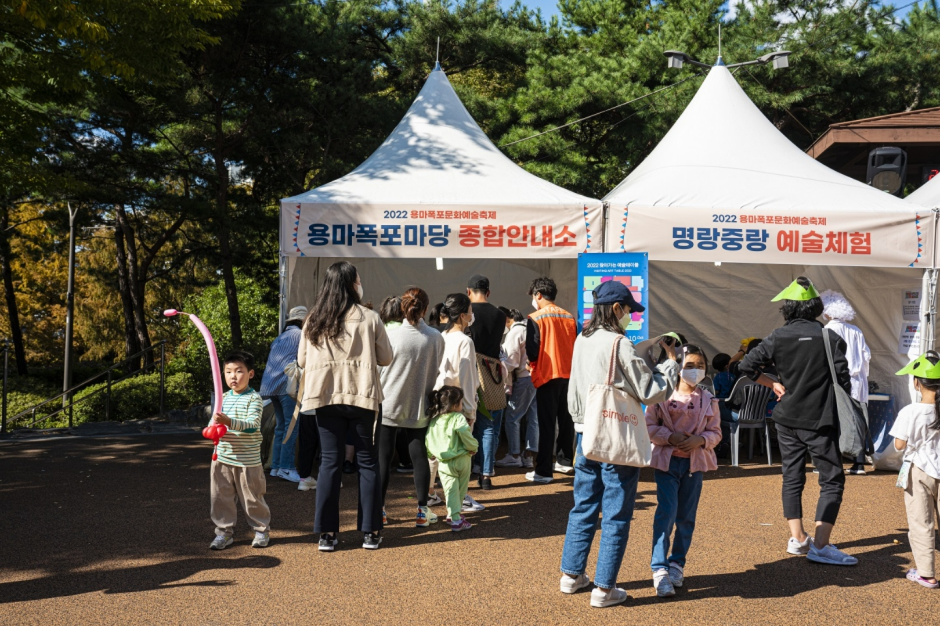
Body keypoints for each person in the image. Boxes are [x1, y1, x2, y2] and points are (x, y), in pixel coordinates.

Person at [560, 281, 678, 607]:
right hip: (614, 436)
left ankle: (571, 575)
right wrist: (670, 363)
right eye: (628, 310)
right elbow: (651, 392)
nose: (630, 316)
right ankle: (604, 588)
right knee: (616, 513)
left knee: (584, 505)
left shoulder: (582, 339)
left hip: (584, 433)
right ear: (616, 309)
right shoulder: (620, 344)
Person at [739, 277, 857, 566]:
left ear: (788, 308)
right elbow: (843, 381)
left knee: (792, 476)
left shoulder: (778, 336)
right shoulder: (830, 338)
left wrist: (773, 384)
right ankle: (820, 544)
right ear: (816, 306)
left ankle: (798, 538)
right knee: (832, 479)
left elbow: (745, 366)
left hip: (786, 417)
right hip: (820, 419)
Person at [297, 261, 393, 552]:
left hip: (325, 397)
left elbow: (302, 361)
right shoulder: (369, 317)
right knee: (367, 463)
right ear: (352, 284)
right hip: (362, 395)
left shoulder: (313, 319)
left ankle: (327, 534)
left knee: (329, 463)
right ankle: (371, 531)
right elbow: (386, 357)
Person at [645, 345, 721, 597]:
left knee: (686, 516)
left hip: (694, 466)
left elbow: (716, 432)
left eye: (700, 366)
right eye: (689, 365)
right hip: (667, 464)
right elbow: (649, 427)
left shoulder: (709, 399)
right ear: (677, 367)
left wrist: (700, 441)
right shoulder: (662, 397)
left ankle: (677, 563)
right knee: (666, 513)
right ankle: (659, 568)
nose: (695, 370)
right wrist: (671, 437)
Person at [377, 287, 445, 528]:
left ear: (402, 306)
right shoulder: (436, 337)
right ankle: (421, 511)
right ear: (425, 309)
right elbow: (437, 370)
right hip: (419, 402)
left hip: (389, 402)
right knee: (419, 458)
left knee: (383, 458)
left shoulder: (388, 334)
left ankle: (380, 511)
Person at [208, 351, 271, 550]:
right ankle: (223, 533)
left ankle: (261, 530)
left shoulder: (254, 399)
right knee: (220, 497)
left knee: (252, 497)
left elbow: (252, 425)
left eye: (239, 371)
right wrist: (210, 430)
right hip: (222, 456)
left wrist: (228, 422)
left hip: (247, 460)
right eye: (228, 372)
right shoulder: (222, 397)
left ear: (250, 374)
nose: (233, 376)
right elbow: (213, 424)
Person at [891, 353, 940, 588]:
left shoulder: (910, 411)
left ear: (917, 382)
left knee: (921, 522)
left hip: (918, 469)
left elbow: (899, 445)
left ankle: (927, 574)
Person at [433, 293, 485, 513]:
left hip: (439, 401)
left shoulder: (440, 337)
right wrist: (470, 410)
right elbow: (466, 377)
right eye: (470, 311)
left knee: (438, 451)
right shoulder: (465, 341)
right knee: (461, 457)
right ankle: (460, 497)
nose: (472, 315)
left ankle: (429, 494)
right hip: (457, 405)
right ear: (463, 315)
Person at [525, 277, 578, 484]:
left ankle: (544, 470)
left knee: (546, 424)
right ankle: (565, 462)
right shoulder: (569, 317)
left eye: (533, 296)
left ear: (538, 294)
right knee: (566, 421)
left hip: (547, 375)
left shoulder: (535, 318)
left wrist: (532, 364)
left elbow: (532, 350)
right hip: (570, 376)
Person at [821, 290, 872, 475]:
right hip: (858, 380)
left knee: (835, 420)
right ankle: (858, 463)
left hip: (837, 380)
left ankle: (833, 464)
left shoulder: (827, 330)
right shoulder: (856, 330)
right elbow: (867, 356)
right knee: (858, 418)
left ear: (826, 311)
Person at [466, 274, 507, 490]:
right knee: (488, 424)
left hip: (470, 370)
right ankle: (486, 474)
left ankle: (465, 471)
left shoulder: (467, 313)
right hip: (492, 372)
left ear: (468, 291)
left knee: (465, 422)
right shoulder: (500, 315)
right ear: (488, 292)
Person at [259, 306, 308, 484]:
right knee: (291, 427)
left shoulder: (280, 337)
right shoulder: (300, 335)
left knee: (281, 426)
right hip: (287, 386)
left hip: (270, 385)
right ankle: (287, 467)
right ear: (303, 321)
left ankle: (277, 466)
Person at [425, 386, 479, 532]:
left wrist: (430, 452)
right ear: (455, 405)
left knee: (450, 490)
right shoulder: (458, 417)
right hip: (462, 459)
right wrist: (473, 446)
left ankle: (453, 514)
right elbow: (463, 431)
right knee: (461, 490)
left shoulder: (434, 420)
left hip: (444, 463)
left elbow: (428, 437)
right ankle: (455, 519)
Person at [497, 308, 538, 469]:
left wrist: (498, 372)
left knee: (512, 417)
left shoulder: (515, 333)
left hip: (522, 378)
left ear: (507, 319)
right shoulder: (530, 328)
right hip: (534, 376)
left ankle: (514, 454)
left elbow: (511, 361)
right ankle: (529, 455)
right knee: (532, 418)